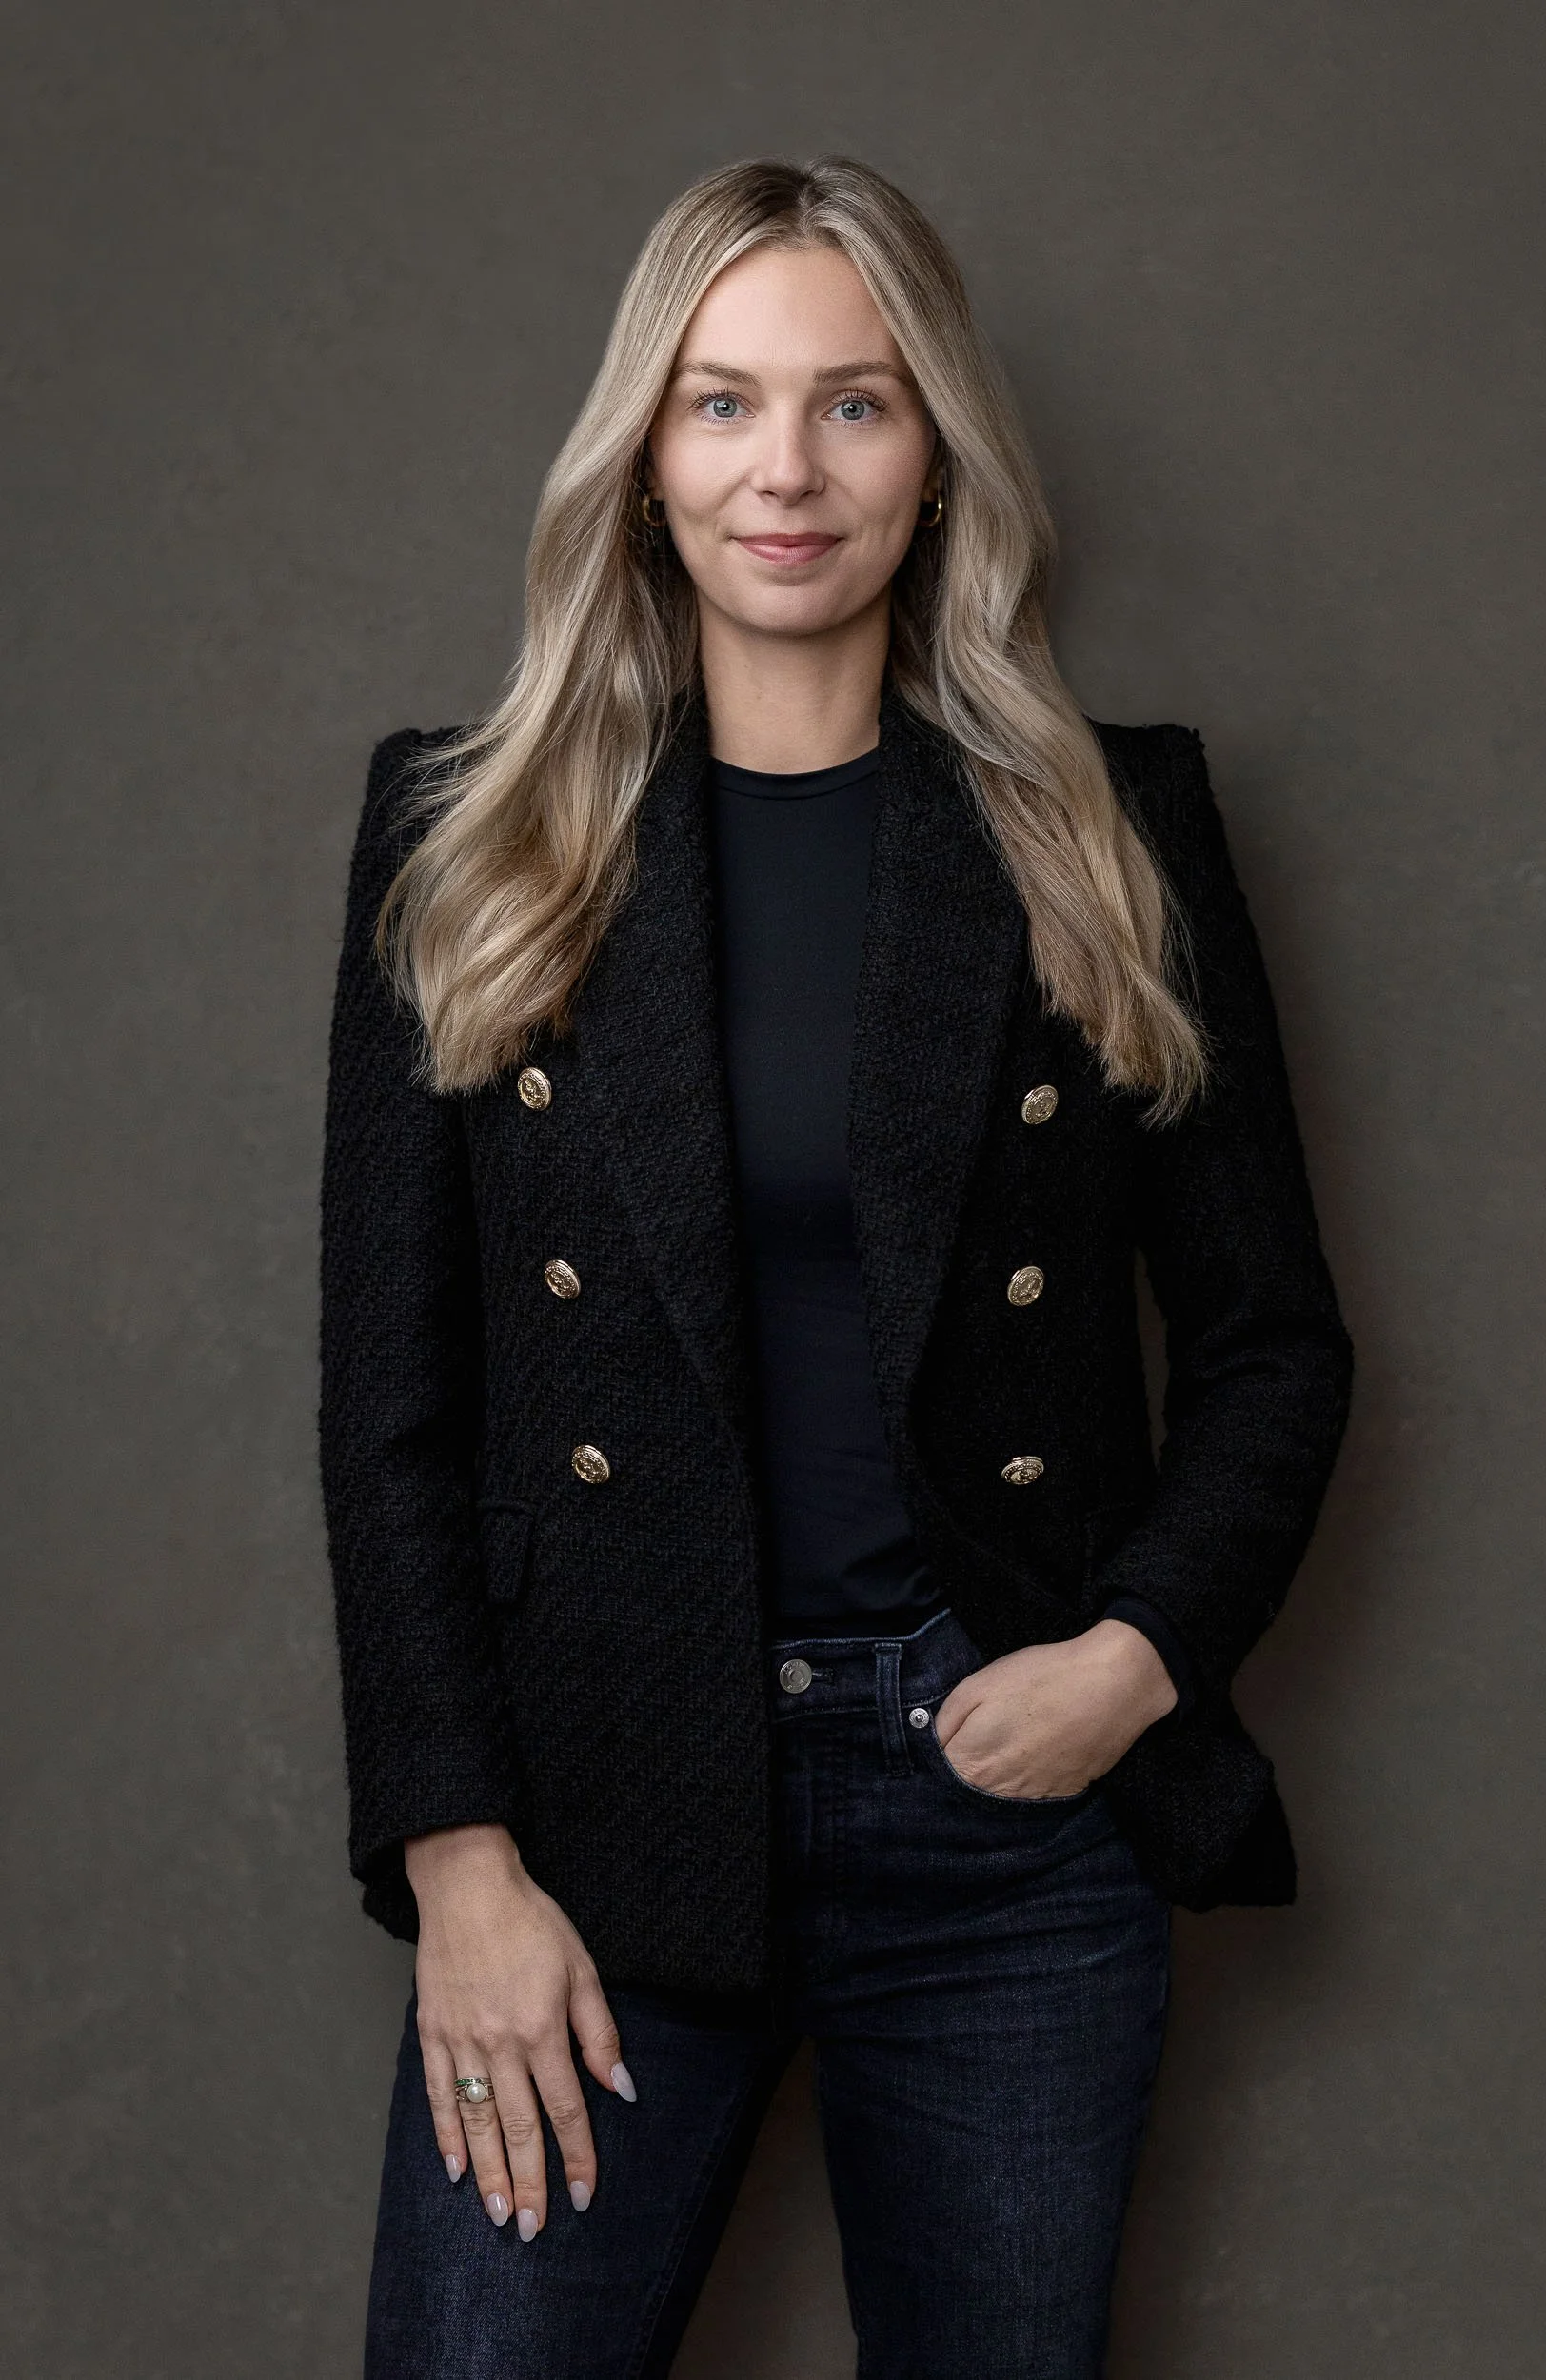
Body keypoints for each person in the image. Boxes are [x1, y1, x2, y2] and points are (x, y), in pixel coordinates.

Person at [319, 154, 1352, 2380]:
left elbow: (1273, 1343)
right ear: (640, 457)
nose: (783, 470)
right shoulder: (467, 833)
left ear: (937, 452)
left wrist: (1134, 1656)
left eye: (853, 406)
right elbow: (390, 1413)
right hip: (592, 1815)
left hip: (998, 1825)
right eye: (719, 404)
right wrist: (460, 1865)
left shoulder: (1107, 827)